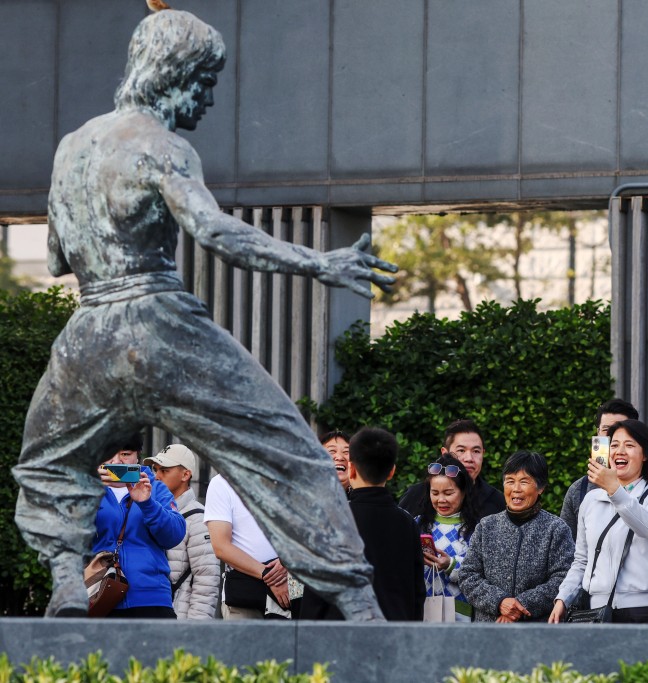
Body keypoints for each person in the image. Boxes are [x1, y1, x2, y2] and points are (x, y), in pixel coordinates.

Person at [12, 8, 395, 619]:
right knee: (286, 447)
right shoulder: (163, 146)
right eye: (206, 80)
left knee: (50, 459)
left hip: (87, 333)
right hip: (160, 323)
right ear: (172, 74)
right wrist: (318, 264)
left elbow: (57, 256)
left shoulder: (71, 148)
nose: (210, 97)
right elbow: (216, 233)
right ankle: (360, 605)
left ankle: (66, 582)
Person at [550, 419, 648, 624]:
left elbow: (647, 527)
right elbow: (582, 560)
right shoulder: (591, 500)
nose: (620, 451)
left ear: (645, 455)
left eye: (629, 445)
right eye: (615, 445)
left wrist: (615, 490)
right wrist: (563, 598)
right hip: (599, 610)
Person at [303, 427, 425, 621]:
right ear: (392, 471)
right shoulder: (407, 523)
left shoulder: (332, 518)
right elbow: (417, 592)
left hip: (340, 635)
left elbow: (316, 590)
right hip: (393, 634)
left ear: (351, 468)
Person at [559, 399, 648, 573]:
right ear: (598, 434)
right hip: (590, 596)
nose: (613, 438)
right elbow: (567, 552)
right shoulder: (579, 490)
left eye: (621, 431)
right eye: (606, 430)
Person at [461, 451, 574, 622]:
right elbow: (468, 575)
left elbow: (564, 578)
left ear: (541, 487)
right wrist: (499, 602)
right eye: (510, 481)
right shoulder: (486, 526)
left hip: (537, 632)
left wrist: (521, 605)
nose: (516, 489)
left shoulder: (556, 529)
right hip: (489, 631)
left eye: (524, 481)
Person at [92, 435, 186, 618]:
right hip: (98, 595)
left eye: (125, 454)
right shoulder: (85, 489)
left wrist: (147, 503)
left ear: (137, 456)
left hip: (151, 597)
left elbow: (174, 535)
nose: (117, 461)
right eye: (109, 454)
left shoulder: (156, 488)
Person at [145, 443, 219, 619]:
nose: (156, 476)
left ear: (186, 474)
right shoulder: (148, 509)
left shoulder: (198, 518)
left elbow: (206, 582)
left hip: (179, 619)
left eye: (165, 470)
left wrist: (193, 630)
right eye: (155, 470)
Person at [204, 473, 290, 619]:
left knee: (293, 641)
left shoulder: (288, 477)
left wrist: (288, 563)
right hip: (243, 592)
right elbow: (221, 547)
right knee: (243, 641)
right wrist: (270, 576)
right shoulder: (221, 482)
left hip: (289, 585)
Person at [415, 454, 480, 621]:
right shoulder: (417, 524)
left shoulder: (477, 529)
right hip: (422, 612)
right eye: (434, 492)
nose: (441, 499)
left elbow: (481, 571)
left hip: (461, 616)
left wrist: (450, 564)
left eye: (449, 493)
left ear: (464, 491)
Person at [399, 419, 504, 518]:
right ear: (445, 454)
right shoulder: (416, 496)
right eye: (461, 450)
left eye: (476, 451)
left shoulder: (496, 502)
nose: (469, 458)